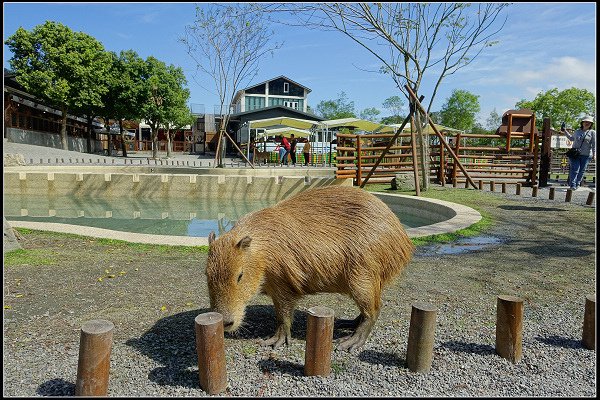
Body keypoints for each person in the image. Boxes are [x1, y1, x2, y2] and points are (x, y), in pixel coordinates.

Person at [561, 115, 596, 190]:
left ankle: (577, 184)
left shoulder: (592, 132)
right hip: (575, 154)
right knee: (575, 169)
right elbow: (571, 138)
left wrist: (594, 154)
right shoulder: (577, 131)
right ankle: (572, 185)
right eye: (586, 122)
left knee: (581, 171)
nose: (587, 123)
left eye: (589, 122)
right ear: (582, 122)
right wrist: (565, 131)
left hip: (586, 155)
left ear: (591, 124)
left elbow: (594, 144)